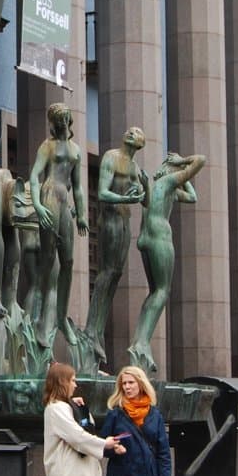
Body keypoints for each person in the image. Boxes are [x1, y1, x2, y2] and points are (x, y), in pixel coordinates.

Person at [127, 152, 205, 375]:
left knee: (154, 292)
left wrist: (184, 177)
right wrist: (182, 162)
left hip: (145, 238)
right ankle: (141, 342)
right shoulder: (168, 181)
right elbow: (201, 160)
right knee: (162, 291)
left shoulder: (160, 188)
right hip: (159, 236)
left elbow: (192, 197)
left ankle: (140, 341)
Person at [86, 126, 146, 367]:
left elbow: (144, 197)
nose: (131, 133)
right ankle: (92, 328)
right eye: (129, 131)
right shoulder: (111, 157)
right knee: (106, 272)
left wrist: (142, 189)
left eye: (136, 132)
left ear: (141, 144)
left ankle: (98, 328)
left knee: (116, 274)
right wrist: (125, 198)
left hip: (124, 220)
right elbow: (101, 192)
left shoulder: (134, 168)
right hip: (110, 219)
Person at [28, 103, 88, 348]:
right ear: (53, 122)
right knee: (48, 258)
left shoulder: (76, 150)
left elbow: (80, 186)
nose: (63, 122)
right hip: (50, 193)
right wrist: (37, 205)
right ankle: (41, 317)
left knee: (68, 261)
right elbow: (34, 175)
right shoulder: (48, 146)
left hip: (65, 199)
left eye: (65, 117)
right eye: (58, 118)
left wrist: (82, 213)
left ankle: (62, 317)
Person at [42, 362, 126, 476]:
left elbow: (87, 428)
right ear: (62, 382)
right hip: (70, 472)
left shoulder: (63, 407)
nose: (75, 384)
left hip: (77, 471)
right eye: (72, 380)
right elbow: (77, 436)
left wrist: (80, 409)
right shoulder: (56, 409)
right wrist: (104, 444)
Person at [99, 366, 172, 476]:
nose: (127, 387)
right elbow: (102, 445)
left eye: (131, 382)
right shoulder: (116, 414)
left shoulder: (155, 415)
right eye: (124, 383)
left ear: (140, 383)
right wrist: (113, 449)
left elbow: (163, 453)